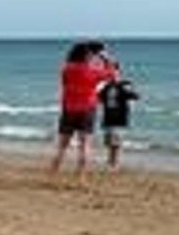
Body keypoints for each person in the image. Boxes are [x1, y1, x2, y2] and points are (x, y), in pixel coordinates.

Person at [49, 41, 117, 175]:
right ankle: (79, 174)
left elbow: (65, 84)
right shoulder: (92, 71)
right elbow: (112, 75)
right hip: (87, 110)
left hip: (68, 109)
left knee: (62, 145)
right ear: (87, 56)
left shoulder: (67, 69)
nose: (91, 57)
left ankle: (53, 171)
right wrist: (106, 59)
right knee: (84, 145)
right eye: (90, 55)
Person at [98, 75, 140, 170]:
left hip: (119, 119)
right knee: (109, 143)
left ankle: (114, 164)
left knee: (116, 143)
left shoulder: (122, 87)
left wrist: (129, 87)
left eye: (115, 74)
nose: (113, 77)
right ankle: (110, 162)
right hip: (108, 118)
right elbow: (99, 98)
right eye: (111, 75)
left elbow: (135, 96)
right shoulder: (106, 88)